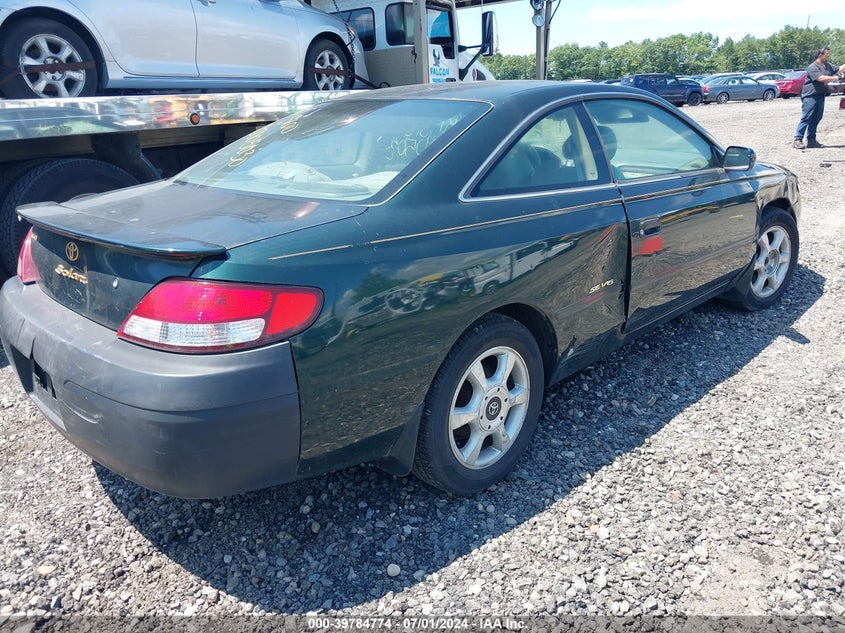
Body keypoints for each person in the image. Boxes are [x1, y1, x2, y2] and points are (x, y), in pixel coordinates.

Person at [793, 46, 845, 149]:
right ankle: (798, 139)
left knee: (817, 118)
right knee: (806, 117)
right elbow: (820, 78)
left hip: (820, 95)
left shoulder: (827, 65)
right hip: (810, 96)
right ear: (820, 55)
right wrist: (837, 78)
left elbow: (839, 69)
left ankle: (811, 141)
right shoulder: (813, 67)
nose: (828, 55)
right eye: (826, 54)